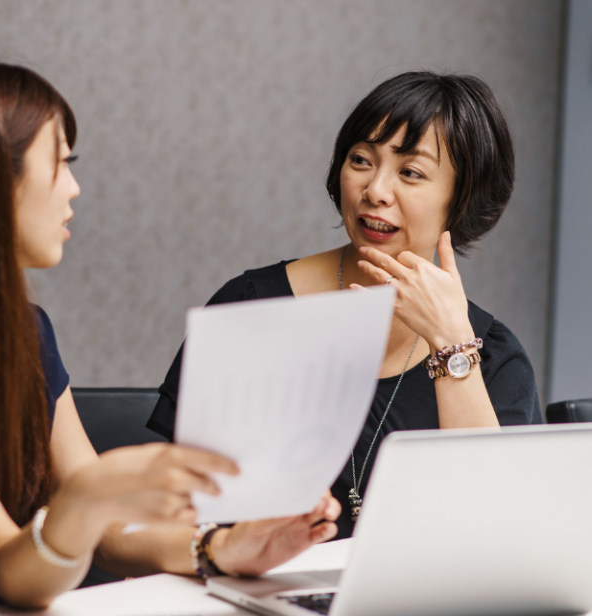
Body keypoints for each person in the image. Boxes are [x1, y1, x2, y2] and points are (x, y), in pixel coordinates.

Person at [0, 59, 341, 616]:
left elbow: (107, 534)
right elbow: (13, 570)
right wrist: (86, 498)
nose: (75, 187)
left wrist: (220, 548)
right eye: (61, 163)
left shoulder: (28, 331)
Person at [147, 71, 542, 537]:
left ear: (461, 199)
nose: (375, 190)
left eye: (410, 172)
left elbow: (497, 533)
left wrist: (451, 345)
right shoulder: (250, 309)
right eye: (360, 160)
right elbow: (168, 507)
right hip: (254, 595)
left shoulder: (493, 357)